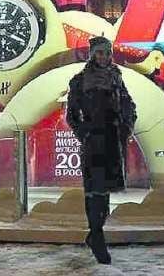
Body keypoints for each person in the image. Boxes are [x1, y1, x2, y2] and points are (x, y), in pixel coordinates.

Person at [66, 36, 137, 265]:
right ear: (92, 55)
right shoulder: (80, 81)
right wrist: (85, 133)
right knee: (94, 190)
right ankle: (97, 237)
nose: (104, 57)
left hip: (112, 140)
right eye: (99, 53)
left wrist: (126, 126)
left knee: (105, 191)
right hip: (93, 141)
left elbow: (128, 104)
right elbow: (72, 115)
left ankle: (94, 233)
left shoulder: (116, 77)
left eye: (107, 53)